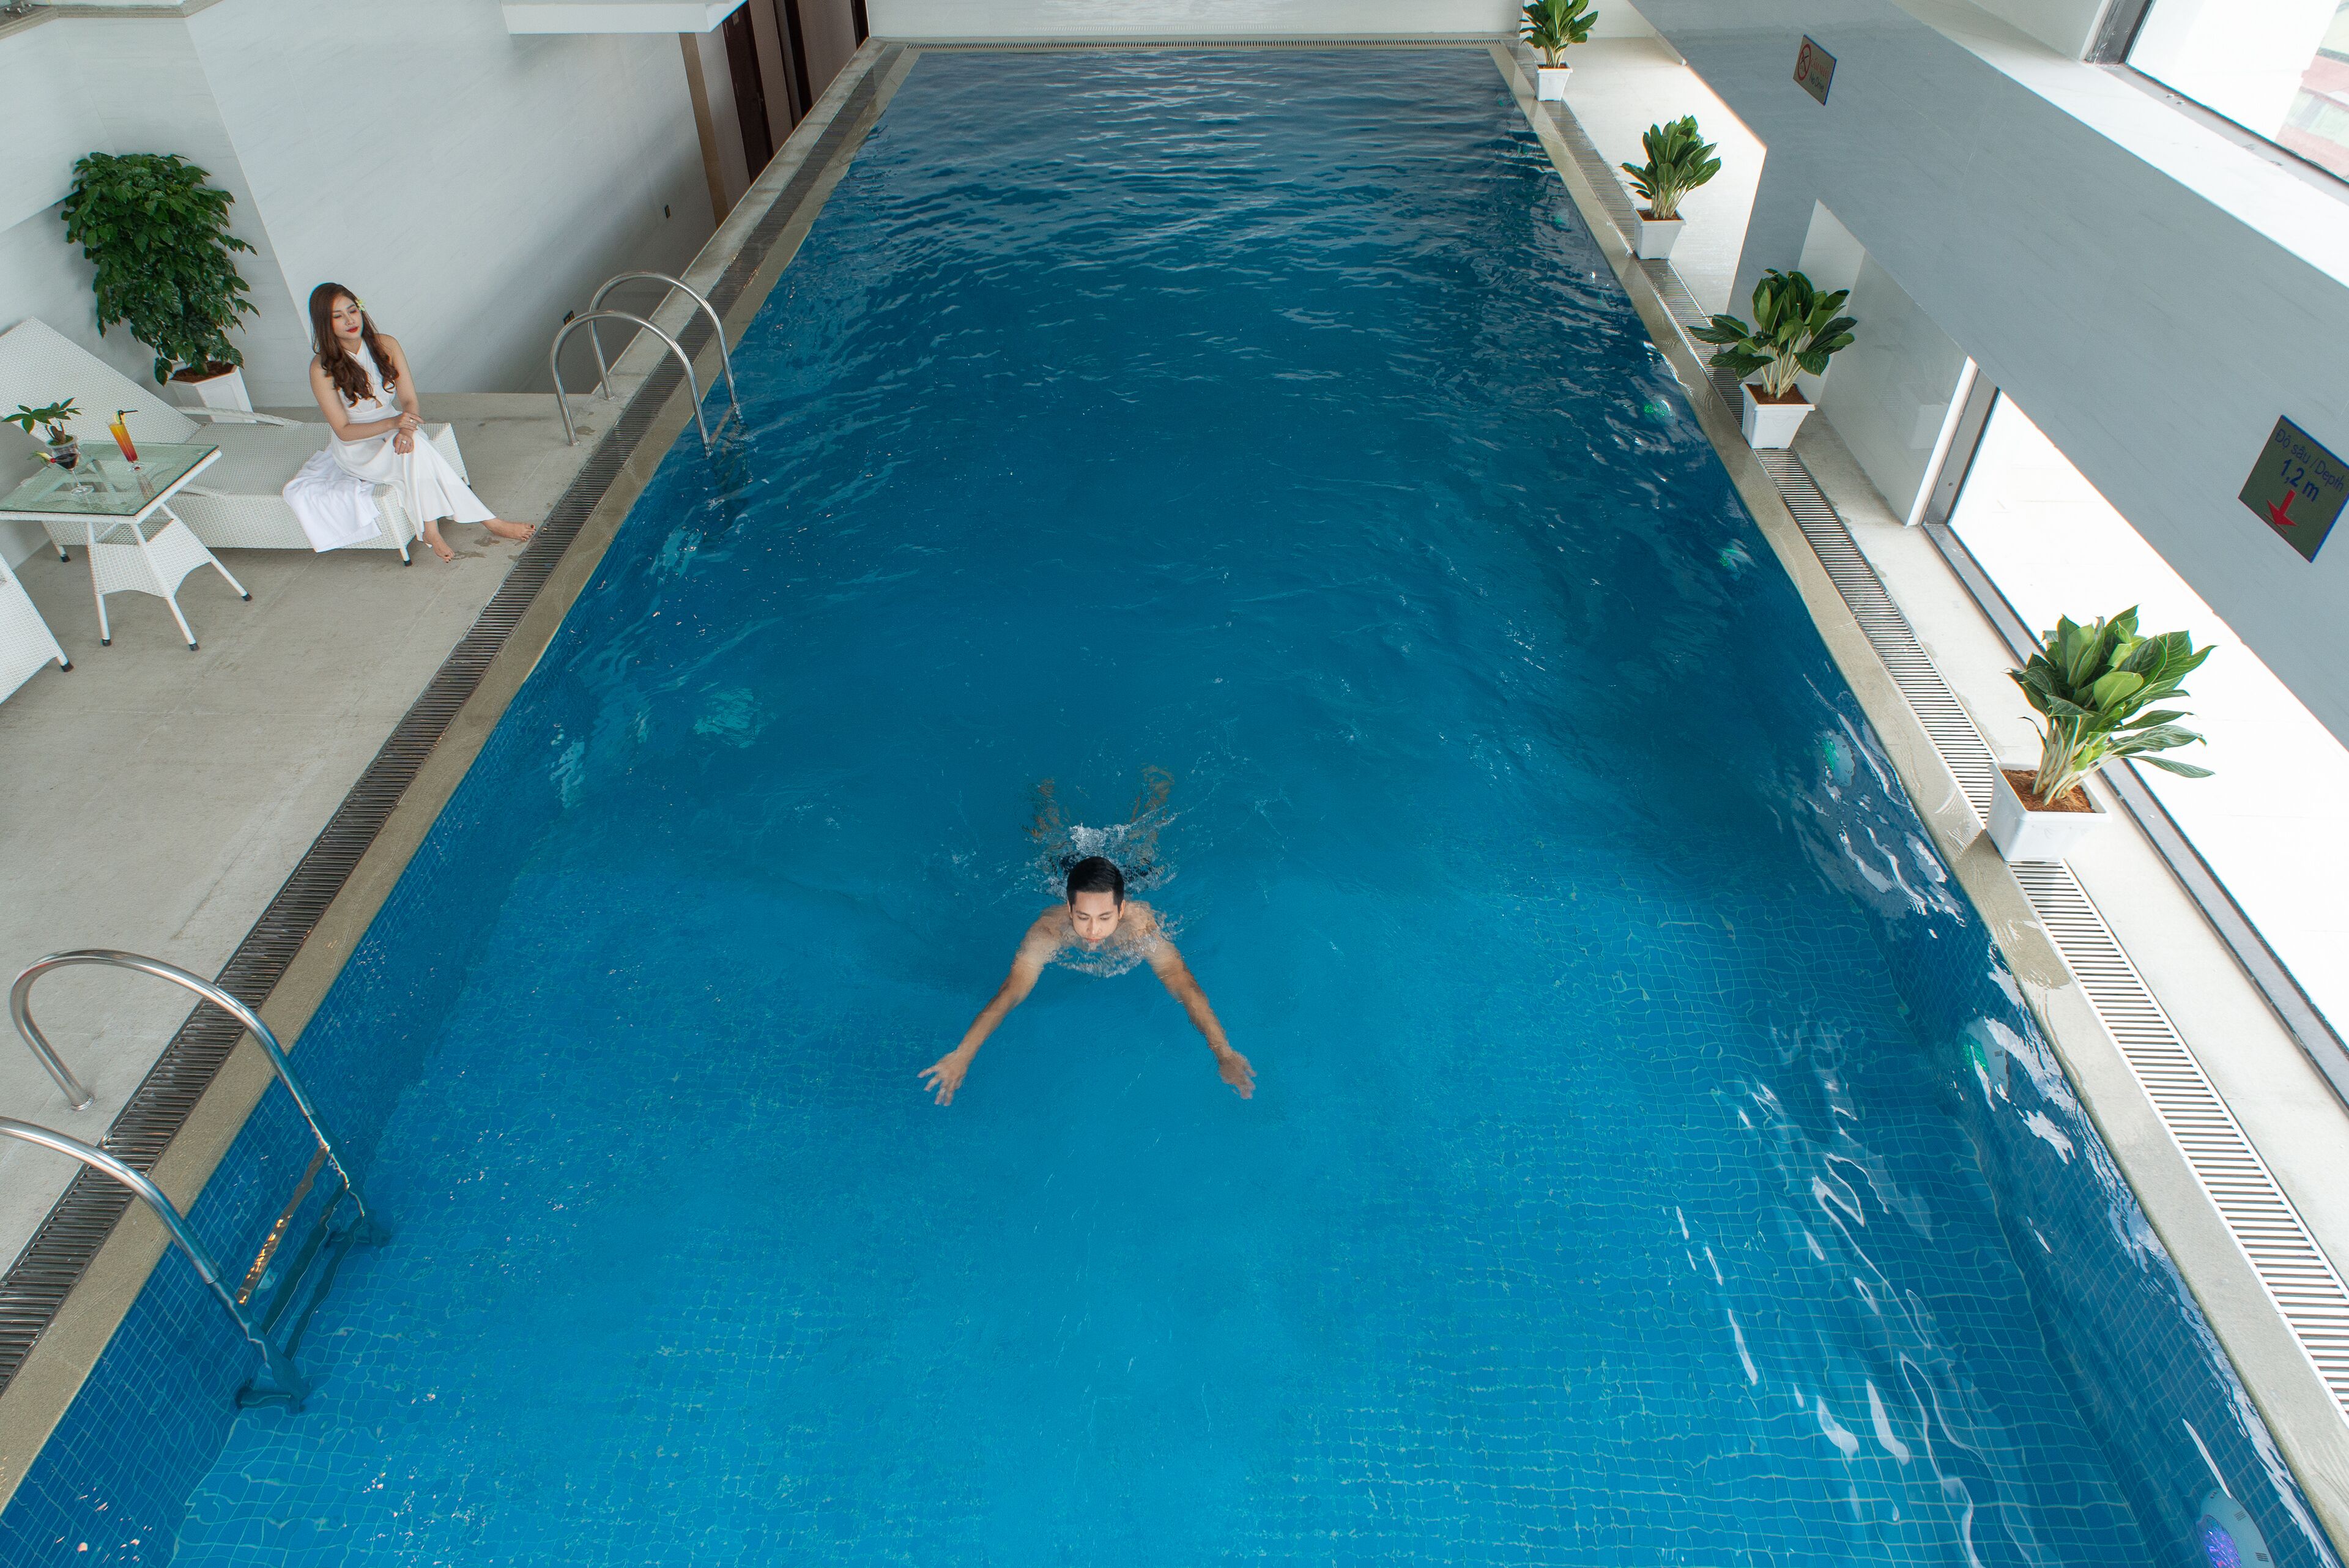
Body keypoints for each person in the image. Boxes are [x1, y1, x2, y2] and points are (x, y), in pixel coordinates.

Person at [919, 854, 1255, 1106]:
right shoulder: (1048, 931)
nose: (1094, 931)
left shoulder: (1141, 928)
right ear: (1068, 908)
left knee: (1145, 858)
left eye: (1105, 917)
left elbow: (1183, 985)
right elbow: (1012, 992)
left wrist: (1222, 1052)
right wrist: (963, 1053)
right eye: (1083, 917)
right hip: (1065, 870)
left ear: (1121, 911)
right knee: (1053, 853)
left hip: (1133, 873)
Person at [285, 283, 533, 562]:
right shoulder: (321, 369)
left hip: (397, 427)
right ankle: (486, 522)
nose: (350, 320)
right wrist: (395, 425)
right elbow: (344, 432)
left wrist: (405, 428)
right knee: (419, 450)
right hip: (359, 448)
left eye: (352, 310)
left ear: (361, 310)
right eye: (338, 316)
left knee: (414, 447)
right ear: (324, 324)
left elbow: (410, 401)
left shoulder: (386, 344)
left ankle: (433, 529)